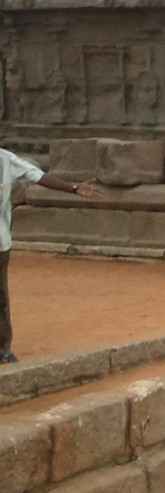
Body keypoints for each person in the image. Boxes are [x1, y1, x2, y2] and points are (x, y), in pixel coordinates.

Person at [1, 148, 105, 363]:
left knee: (0, 297)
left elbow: (38, 176)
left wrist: (74, 188)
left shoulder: (5, 160)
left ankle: (3, 348)